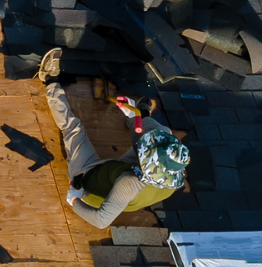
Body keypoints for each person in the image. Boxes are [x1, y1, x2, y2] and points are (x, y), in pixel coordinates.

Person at [37, 48, 190, 230]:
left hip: (90, 180)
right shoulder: (171, 171)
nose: (150, 141)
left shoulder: (128, 185)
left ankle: (50, 81)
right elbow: (145, 115)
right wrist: (133, 112)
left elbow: (101, 221)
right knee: (158, 130)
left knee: (73, 129)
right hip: (125, 171)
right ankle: (130, 120)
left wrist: (75, 199)